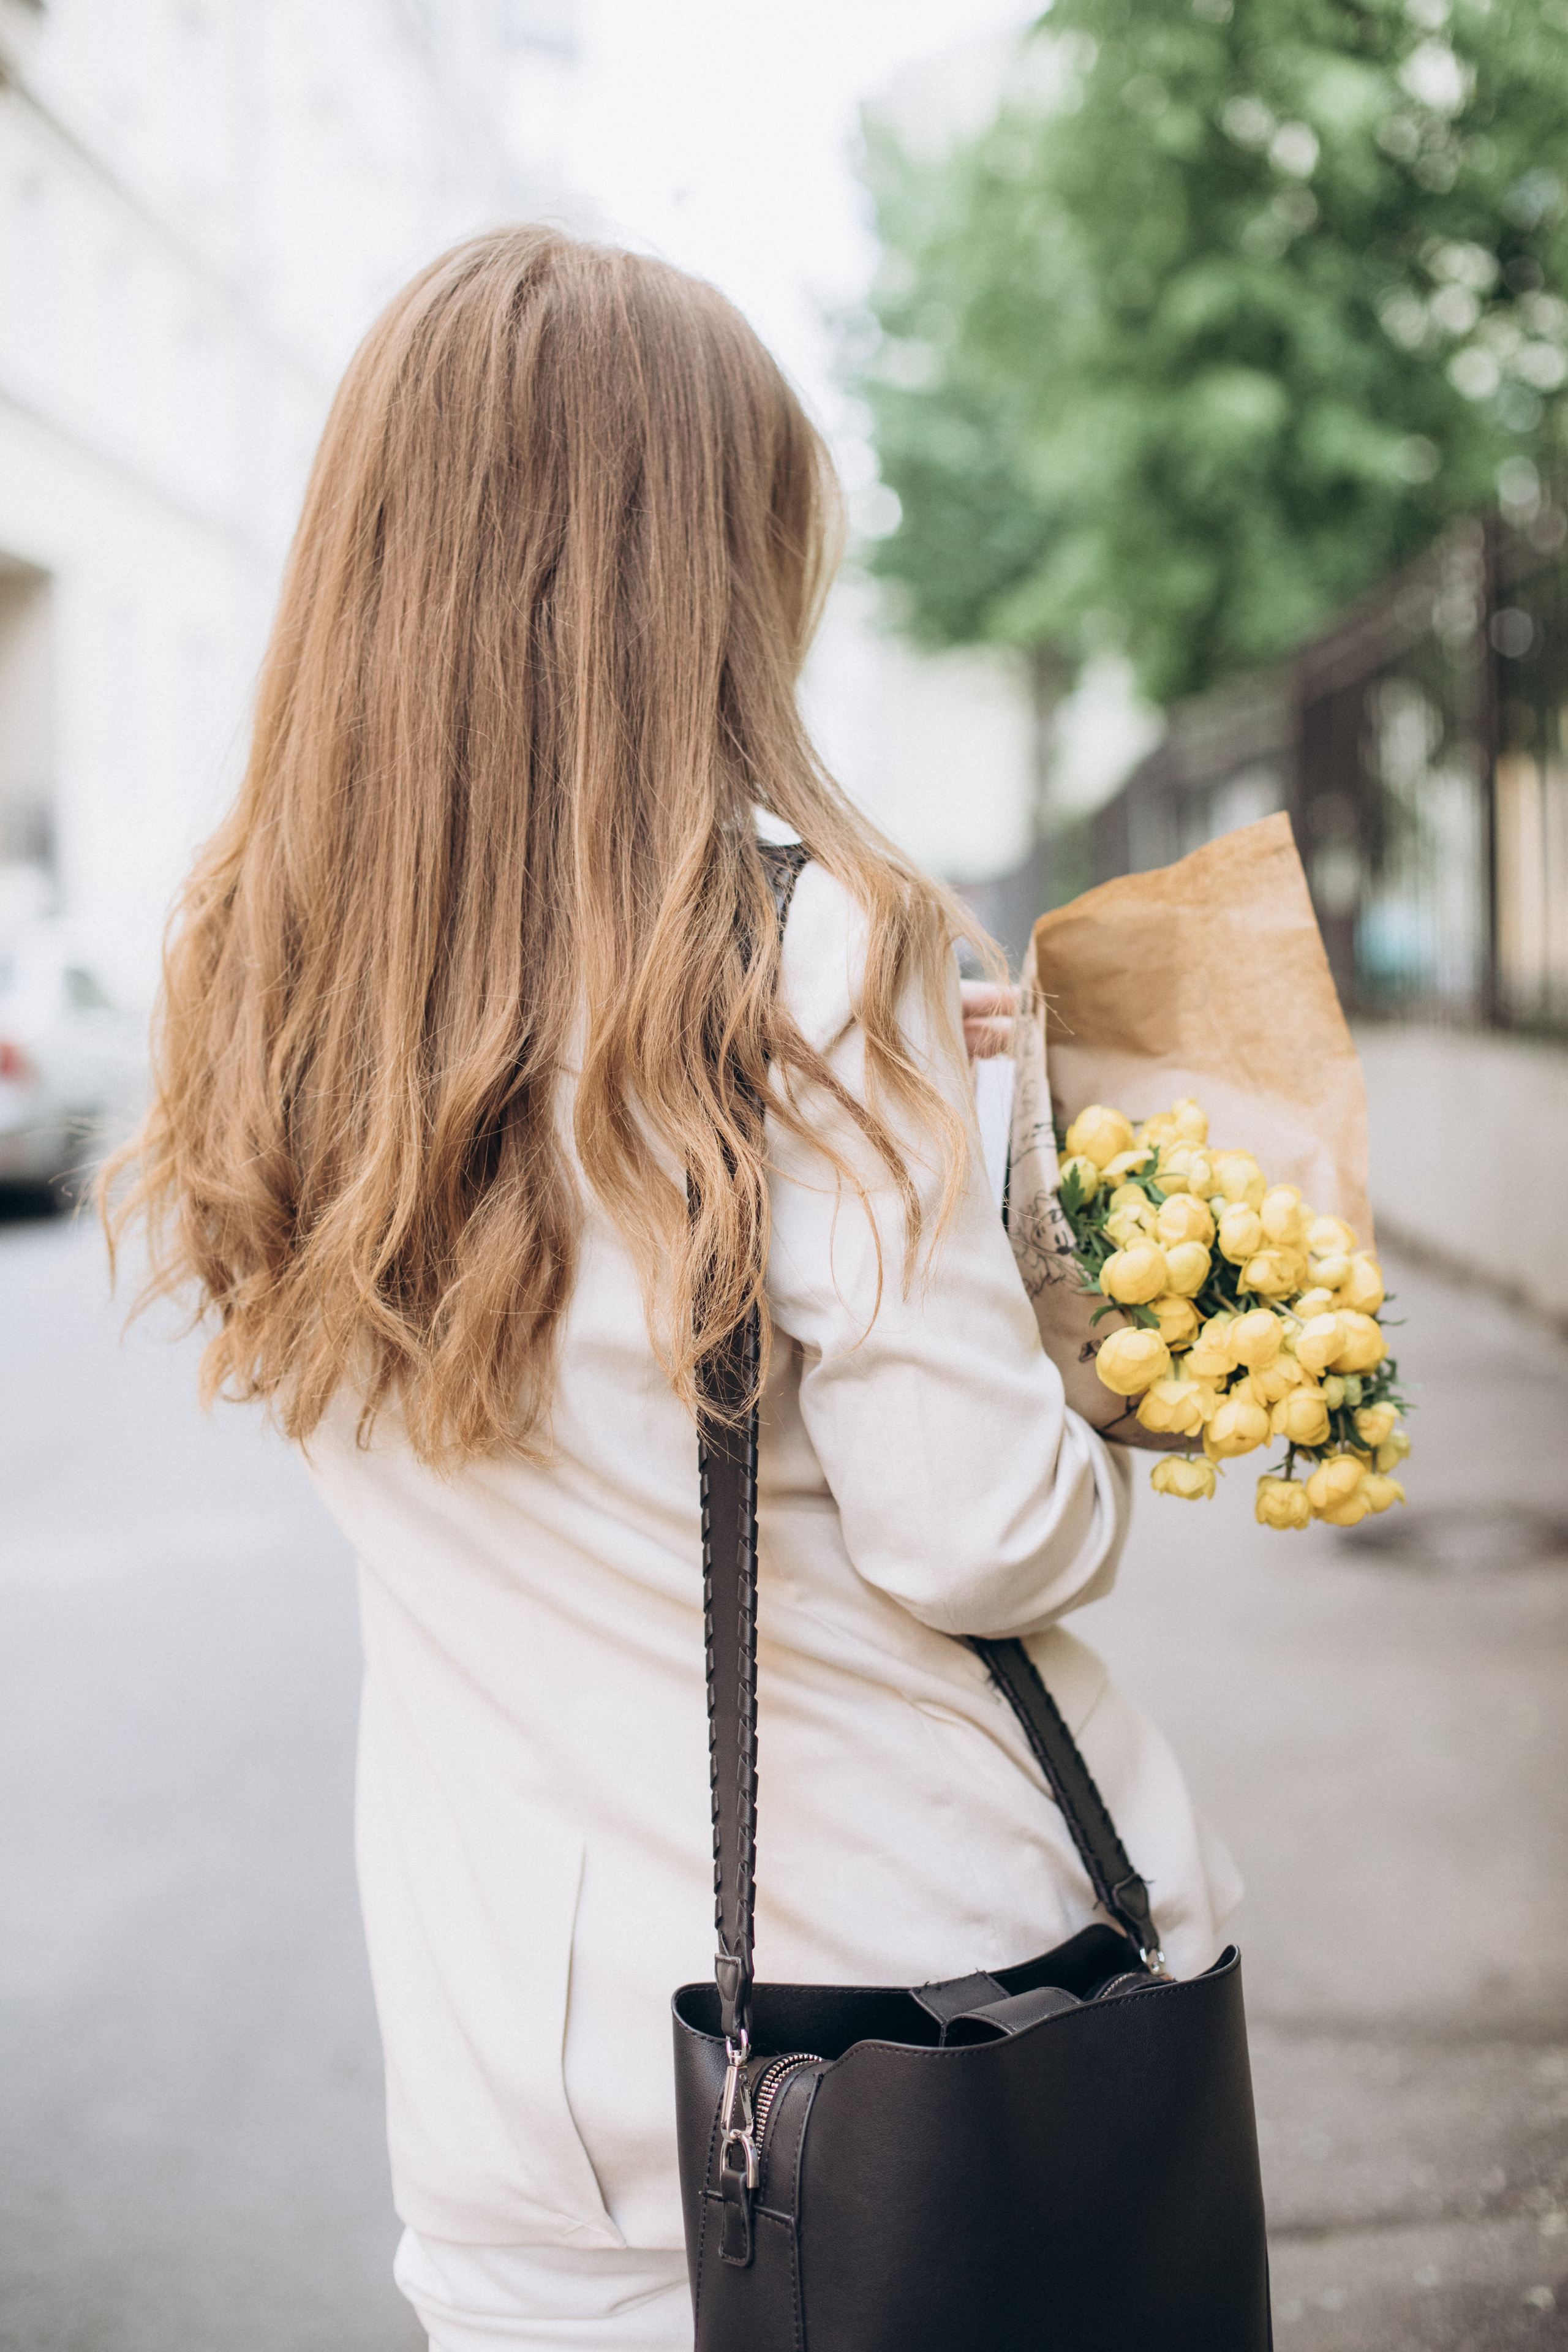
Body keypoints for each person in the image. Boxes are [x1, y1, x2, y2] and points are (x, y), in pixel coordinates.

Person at [107, 227, 1239, 2351]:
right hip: (903, 2032)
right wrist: (1085, 1374)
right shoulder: (821, 946)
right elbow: (982, 1533)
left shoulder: (256, 974)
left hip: (520, 2087)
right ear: (706, 567)